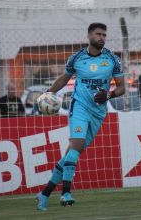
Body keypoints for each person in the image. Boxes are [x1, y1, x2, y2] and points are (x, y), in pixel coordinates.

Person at [35, 22, 125, 211]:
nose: (102, 37)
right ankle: (65, 193)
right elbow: (63, 80)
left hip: (99, 112)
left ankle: (44, 194)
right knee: (75, 148)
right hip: (79, 107)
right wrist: (47, 94)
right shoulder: (76, 58)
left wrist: (109, 95)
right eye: (98, 34)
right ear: (89, 36)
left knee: (70, 156)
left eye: (104, 35)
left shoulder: (113, 59)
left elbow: (122, 87)